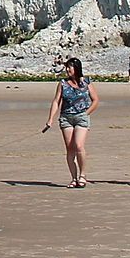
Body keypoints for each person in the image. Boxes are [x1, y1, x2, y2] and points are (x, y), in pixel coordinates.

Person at [45, 57, 95, 188]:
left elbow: (95, 100)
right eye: (66, 67)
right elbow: (56, 101)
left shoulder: (86, 82)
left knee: (79, 145)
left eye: (70, 67)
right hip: (66, 118)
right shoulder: (63, 83)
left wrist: (86, 113)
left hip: (81, 117)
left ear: (77, 68)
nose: (67, 70)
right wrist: (50, 119)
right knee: (70, 148)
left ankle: (82, 175)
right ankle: (74, 178)